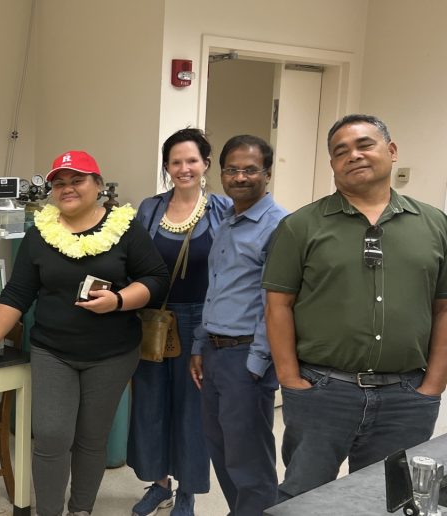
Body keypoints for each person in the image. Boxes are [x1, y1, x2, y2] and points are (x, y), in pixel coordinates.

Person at [0, 151, 169, 516]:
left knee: (91, 438)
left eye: (77, 180)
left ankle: (81, 509)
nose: (67, 188)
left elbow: (156, 281)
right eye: (60, 182)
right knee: (51, 435)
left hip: (113, 354)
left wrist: (116, 300)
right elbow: (17, 293)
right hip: (54, 350)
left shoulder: (125, 229)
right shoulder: (40, 234)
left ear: (98, 185)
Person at [263, 114, 447, 500]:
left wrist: (433, 386)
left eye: (365, 144)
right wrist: (291, 381)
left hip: (406, 397)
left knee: (386, 501)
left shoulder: (434, 225)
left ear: (391, 151)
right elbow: (278, 305)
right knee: (303, 497)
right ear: (332, 165)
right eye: (340, 151)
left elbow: (444, 309)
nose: (354, 156)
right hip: (322, 392)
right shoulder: (301, 227)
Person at [129, 128, 232, 516]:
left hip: (201, 323)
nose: (184, 168)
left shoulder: (223, 210)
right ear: (167, 167)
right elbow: (135, 263)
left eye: (192, 160)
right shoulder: (150, 209)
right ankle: (159, 484)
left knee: (192, 409)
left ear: (206, 164)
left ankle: (187, 491)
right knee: (150, 404)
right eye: (176, 162)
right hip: (154, 320)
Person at [188, 135, 288, 515]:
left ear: (267, 173)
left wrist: (258, 362)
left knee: (249, 459)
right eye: (232, 169)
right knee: (222, 449)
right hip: (215, 352)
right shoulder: (228, 221)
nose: (240, 177)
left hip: (246, 355)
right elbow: (216, 289)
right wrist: (200, 345)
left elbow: (275, 303)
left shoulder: (279, 227)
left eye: (250, 170)